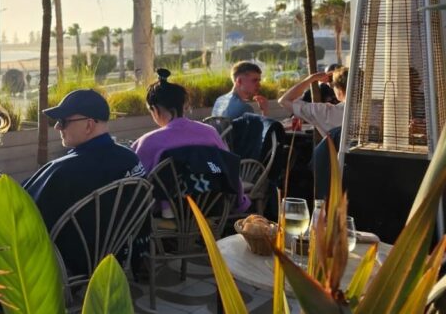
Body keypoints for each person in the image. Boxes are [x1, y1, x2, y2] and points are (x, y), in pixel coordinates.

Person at [23, 89, 145, 277]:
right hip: (121, 252)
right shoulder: (131, 158)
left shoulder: (64, 170)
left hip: (74, 261)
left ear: (88, 125)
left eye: (63, 121)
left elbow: (25, 211)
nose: (57, 127)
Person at [132, 69, 251, 211]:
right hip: (211, 209)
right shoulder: (209, 132)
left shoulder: (148, 142)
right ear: (184, 106)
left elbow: (136, 185)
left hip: (170, 216)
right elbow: (227, 168)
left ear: (155, 110)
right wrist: (240, 201)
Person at [277, 67, 348, 139]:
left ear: (340, 91)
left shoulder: (324, 112)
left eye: (333, 86)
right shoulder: (359, 112)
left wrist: (312, 78)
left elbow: (284, 100)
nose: (331, 88)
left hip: (339, 150)